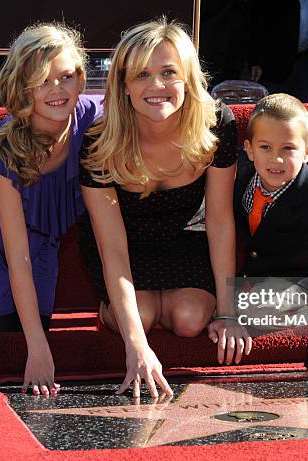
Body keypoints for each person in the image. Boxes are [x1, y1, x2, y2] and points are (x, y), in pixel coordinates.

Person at [79, 18, 251, 399]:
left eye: (168, 72)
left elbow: (220, 220)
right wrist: (135, 344)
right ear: (123, 85)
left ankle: (164, 305)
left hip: (184, 233)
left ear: (188, 78)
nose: (156, 86)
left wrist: (227, 312)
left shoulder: (217, 124)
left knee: (191, 319)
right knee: (138, 317)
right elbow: (113, 249)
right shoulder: (98, 145)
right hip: (123, 244)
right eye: (141, 74)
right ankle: (132, 309)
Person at [0, 23, 102, 396]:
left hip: (45, 231)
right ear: (22, 85)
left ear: (81, 79)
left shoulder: (97, 119)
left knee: (31, 323)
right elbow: (18, 258)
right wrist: (39, 351)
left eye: (65, 77)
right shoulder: (5, 145)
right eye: (42, 80)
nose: (57, 90)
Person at [235, 93, 308, 384]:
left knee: (257, 308)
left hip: (305, 279)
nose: (276, 159)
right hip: (257, 273)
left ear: (307, 151)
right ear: (249, 149)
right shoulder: (239, 176)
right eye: (265, 147)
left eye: (288, 148)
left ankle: (303, 308)